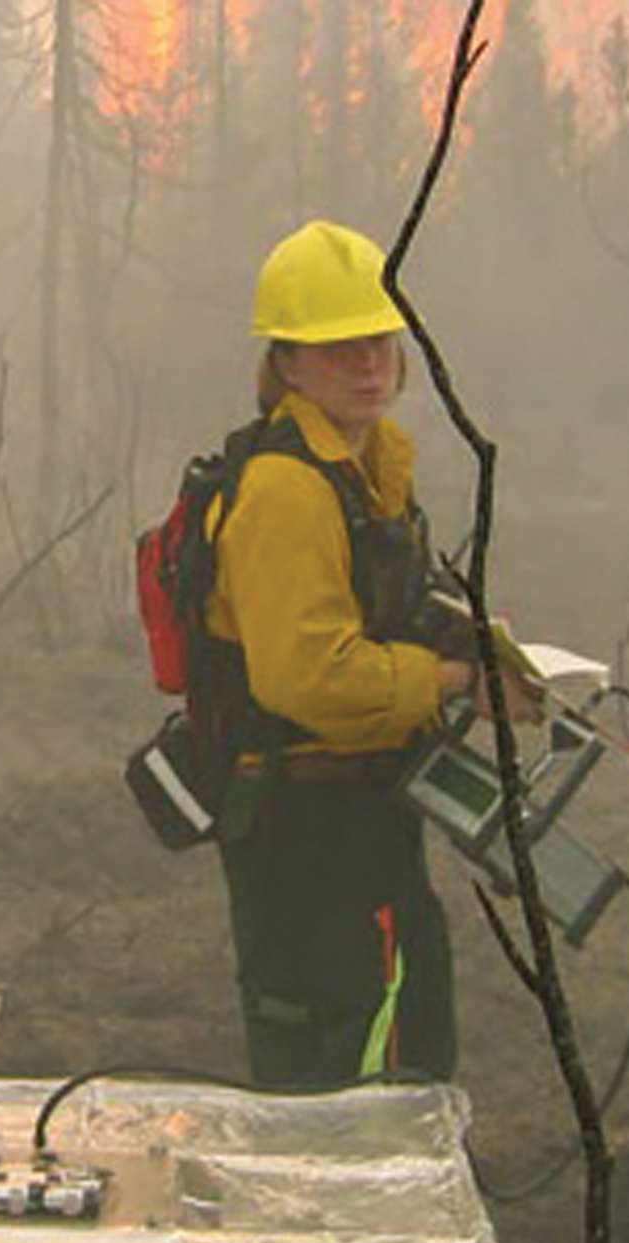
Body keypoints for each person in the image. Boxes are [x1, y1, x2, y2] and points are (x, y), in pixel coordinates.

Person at [198, 220, 539, 1089]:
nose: (368, 362)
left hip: (370, 814)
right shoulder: (283, 489)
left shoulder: (366, 466)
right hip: (302, 833)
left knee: (410, 1043)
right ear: (287, 364)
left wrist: (481, 655)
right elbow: (307, 675)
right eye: (337, 346)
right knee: (332, 1064)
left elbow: (381, 607)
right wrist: (458, 680)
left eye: (379, 340)